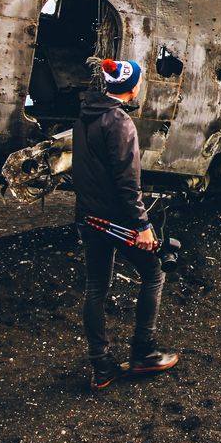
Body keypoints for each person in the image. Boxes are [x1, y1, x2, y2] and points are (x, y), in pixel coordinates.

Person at [72, 58, 178, 390]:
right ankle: (143, 352)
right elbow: (128, 182)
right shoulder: (119, 123)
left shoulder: (84, 117)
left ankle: (101, 366)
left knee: (95, 288)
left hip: (89, 218)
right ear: (133, 88)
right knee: (153, 274)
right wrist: (142, 225)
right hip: (118, 220)